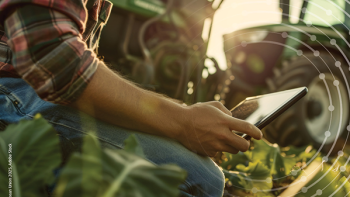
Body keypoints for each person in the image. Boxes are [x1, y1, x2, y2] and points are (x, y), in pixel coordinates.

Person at [0, 0, 262, 196]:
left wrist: (181, 113)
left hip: (26, 89)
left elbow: (85, 70)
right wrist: (182, 123)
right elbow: (55, 59)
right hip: (11, 88)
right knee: (198, 178)